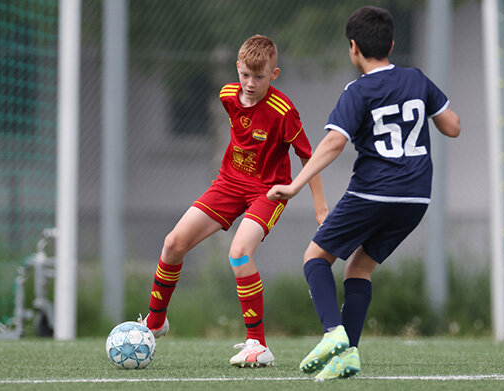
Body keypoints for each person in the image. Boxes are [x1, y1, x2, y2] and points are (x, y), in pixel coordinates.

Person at [267, 6, 461, 381]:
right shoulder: (417, 79)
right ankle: (348, 355)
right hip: (416, 198)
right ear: (391, 43)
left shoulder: (358, 91)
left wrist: (293, 186)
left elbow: (334, 143)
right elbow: (452, 127)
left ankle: (332, 333)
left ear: (353, 48)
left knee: (315, 258)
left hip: (374, 192)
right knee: (359, 268)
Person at [139, 34, 327, 368]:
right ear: (237, 67)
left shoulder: (284, 112)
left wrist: (320, 207)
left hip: (268, 190)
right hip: (229, 184)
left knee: (239, 253)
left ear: (274, 74)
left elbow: (309, 158)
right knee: (172, 244)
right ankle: (155, 324)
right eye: (245, 75)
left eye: (259, 76)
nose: (251, 83)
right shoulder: (228, 95)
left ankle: (259, 345)